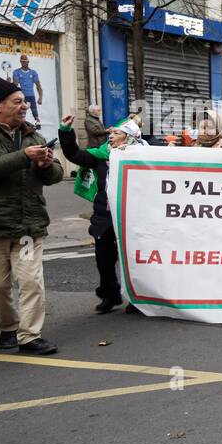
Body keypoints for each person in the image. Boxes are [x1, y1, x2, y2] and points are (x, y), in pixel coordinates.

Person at [0, 70, 62, 354]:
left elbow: (56, 175)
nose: (24, 105)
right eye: (16, 101)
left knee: (31, 281)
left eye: (24, 101)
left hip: (28, 226)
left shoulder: (33, 134)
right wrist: (23, 157)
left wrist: (46, 165)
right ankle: (8, 328)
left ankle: (30, 336)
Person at [61, 116, 142, 314]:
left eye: (116, 133)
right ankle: (110, 295)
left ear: (129, 137)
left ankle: (137, 298)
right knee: (104, 259)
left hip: (132, 216)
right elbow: (74, 155)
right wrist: (65, 132)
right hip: (104, 217)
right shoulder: (101, 155)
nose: (110, 136)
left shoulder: (142, 155)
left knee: (133, 259)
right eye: (111, 133)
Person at [11, 54, 42, 127]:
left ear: (28, 61)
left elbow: (38, 86)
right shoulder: (16, 72)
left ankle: (37, 124)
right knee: (19, 112)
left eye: (25, 60)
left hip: (31, 96)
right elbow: (15, 84)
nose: (24, 62)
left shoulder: (33, 72)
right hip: (22, 97)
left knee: (35, 113)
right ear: (20, 62)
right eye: (22, 60)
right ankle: (20, 127)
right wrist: (9, 82)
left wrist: (40, 98)